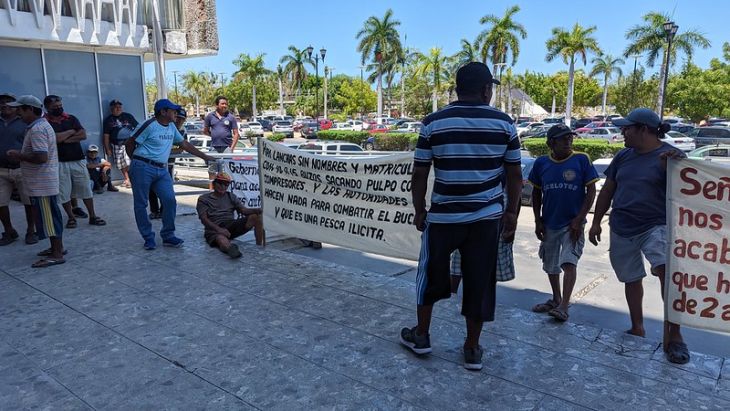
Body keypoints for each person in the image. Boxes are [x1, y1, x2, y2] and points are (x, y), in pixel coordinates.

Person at [401, 62, 522, 371]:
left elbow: (419, 172)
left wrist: (419, 209)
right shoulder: (505, 124)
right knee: (480, 282)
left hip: (443, 218)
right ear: (486, 90)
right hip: (486, 220)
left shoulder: (433, 123)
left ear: (456, 89)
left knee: (429, 274)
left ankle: (422, 335)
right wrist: (511, 212)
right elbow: (514, 175)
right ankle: (471, 348)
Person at [588, 108, 688, 364]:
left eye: (627, 128)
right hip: (621, 226)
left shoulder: (671, 157)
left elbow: (686, 193)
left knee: (668, 276)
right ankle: (637, 326)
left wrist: (673, 169)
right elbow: (608, 189)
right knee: (631, 278)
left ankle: (675, 337)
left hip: (656, 226)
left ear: (644, 129)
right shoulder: (623, 156)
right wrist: (596, 221)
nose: (622, 132)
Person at [528, 124, 599, 322]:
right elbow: (536, 192)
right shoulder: (541, 163)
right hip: (550, 222)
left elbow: (591, 192)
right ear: (551, 143)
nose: (568, 141)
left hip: (572, 223)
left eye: (570, 137)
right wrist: (537, 220)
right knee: (550, 263)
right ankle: (556, 298)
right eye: (563, 138)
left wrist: (579, 219)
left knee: (569, 261)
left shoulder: (581, 159)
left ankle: (564, 306)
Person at [125, 99, 216, 250]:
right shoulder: (149, 125)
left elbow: (184, 144)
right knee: (141, 204)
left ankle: (168, 235)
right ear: (163, 112)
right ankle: (148, 237)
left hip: (162, 169)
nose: (176, 113)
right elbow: (130, 142)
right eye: (173, 110)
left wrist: (205, 156)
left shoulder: (172, 127)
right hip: (142, 167)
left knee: (169, 201)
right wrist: (136, 162)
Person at [5, 95, 65, 268]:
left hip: (42, 184)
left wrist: (18, 155)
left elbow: (41, 157)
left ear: (30, 110)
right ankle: (57, 247)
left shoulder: (38, 129)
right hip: (43, 182)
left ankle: (56, 253)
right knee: (51, 217)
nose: (18, 113)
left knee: (49, 219)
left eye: (20, 109)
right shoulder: (39, 126)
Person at [43, 95, 106, 228]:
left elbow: (82, 135)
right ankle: (71, 217)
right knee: (64, 192)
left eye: (60, 106)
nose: (59, 108)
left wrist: (64, 139)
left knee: (85, 189)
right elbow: (54, 139)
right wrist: (71, 132)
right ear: (47, 108)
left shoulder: (71, 118)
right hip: (59, 162)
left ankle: (93, 216)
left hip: (78, 160)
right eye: (55, 107)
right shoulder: (45, 122)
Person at [196, 171, 264, 258]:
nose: (222, 186)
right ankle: (230, 249)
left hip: (230, 224)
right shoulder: (203, 199)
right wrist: (219, 229)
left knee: (256, 217)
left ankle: (259, 246)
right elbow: (204, 219)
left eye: (225, 184)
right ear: (214, 184)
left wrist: (257, 210)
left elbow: (243, 210)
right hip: (214, 228)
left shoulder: (231, 196)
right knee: (221, 239)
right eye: (220, 183)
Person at [0, 92, 37, 245]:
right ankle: (9, 231)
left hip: (23, 168)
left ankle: (31, 230)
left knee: (28, 202)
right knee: (0, 203)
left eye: (8, 102)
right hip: (1, 169)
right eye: (1, 102)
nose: (4, 104)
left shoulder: (25, 122)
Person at [149, 107, 187, 220]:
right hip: (154, 163)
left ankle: (163, 210)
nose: (179, 121)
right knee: (151, 188)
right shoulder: (162, 128)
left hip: (169, 165)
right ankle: (154, 210)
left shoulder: (182, 131)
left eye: (182, 119)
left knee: (166, 189)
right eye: (178, 118)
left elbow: (181, 148)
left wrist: (165, 150)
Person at [204, 96, 239, 189]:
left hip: (226, 148)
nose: (225, 105)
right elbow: (205, 131)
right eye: (222, 103)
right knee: (212, 170)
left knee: (225, 171)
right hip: (214, 147)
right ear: (217, 105)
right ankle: (211, 192)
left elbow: (236, 134)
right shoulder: (210, 116)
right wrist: (215, 135)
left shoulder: (231, 117)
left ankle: (224, 192)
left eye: (226, 104)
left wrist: (231, 148)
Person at [102, 99, 138, 188]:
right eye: (115, 107)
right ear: (111, 109)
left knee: (130, 162)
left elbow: (138, 128)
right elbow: (106, 135)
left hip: (130, 143)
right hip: (116, 144)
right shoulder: (108, 120)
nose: (118, 109)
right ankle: (127, 179)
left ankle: (133, 180)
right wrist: (107, 148)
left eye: (119, 107)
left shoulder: (128, 116)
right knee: (121, 164)